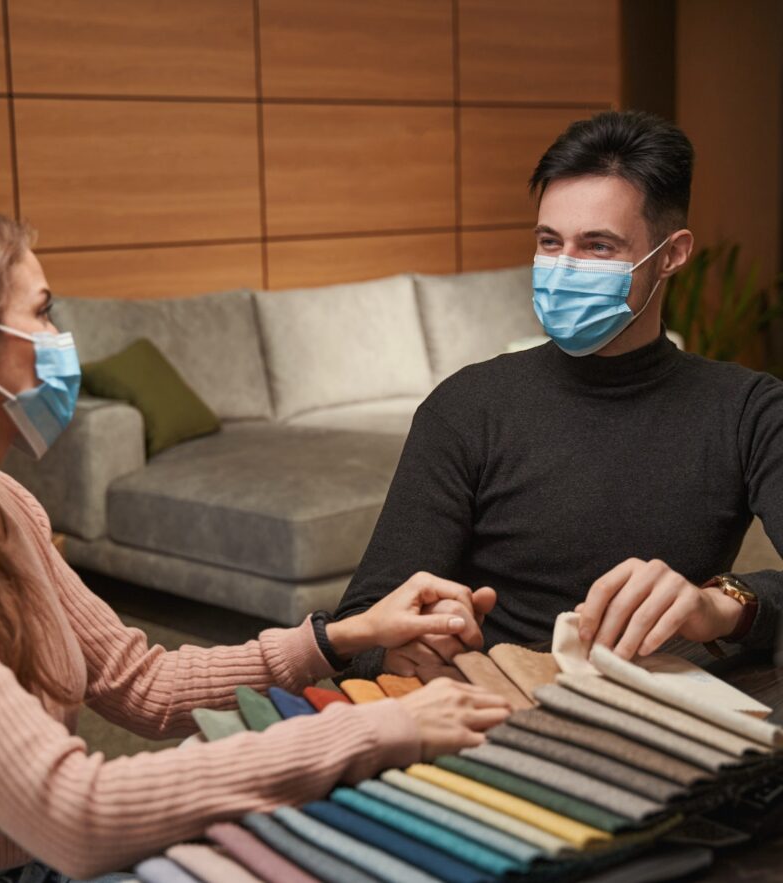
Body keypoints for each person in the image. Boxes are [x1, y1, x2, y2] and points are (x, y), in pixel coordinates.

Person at [0, 209, 511, 883]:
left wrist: (341, 636)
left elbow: (142, 685)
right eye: (40, 311)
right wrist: (372, 728)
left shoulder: (4, 504)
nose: (61, 337)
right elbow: (77, 812)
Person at [334, 110, 783, 681]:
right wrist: (401, 651)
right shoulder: (468, 407)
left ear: (671, 255)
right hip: (485, 702)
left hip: (651, 705)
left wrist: (721, 605)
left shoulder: (749, 411)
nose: (563, 268)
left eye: (598, 247)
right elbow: (361, 625)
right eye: (550, 242)